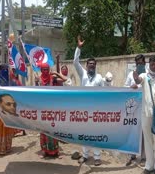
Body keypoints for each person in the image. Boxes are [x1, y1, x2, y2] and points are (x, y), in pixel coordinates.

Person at [73, 37, 104, 166]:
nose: (91, 66)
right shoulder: (83, 74)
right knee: (85, 132)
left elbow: (104, 93)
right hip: (84, 108)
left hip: (96, 109)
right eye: (89, 64)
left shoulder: (99, 78)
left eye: (93, 64)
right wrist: (79, 48)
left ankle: (97, 157)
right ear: (86, 66)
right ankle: (85, 155)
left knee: (96, 133)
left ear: (95, 66)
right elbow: (75, 62)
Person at [35, 63, 68, 158]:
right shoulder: (39, 79)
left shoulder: (52, 78)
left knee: (54, 129)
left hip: (52, 108)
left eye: (47, 69)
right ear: (41, 70)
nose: (45, 71)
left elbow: (65, 80)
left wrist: (57, 73)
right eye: (44, 69)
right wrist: (36, 82)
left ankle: (55, 151)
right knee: (43, 130)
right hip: (42, 108)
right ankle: (45, 151)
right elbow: (35, 92)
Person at [124, 54, 146, 166]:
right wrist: (130, 88)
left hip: (144, 106)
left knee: (143, 132)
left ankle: (143, 157)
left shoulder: (147, 74)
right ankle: (131, 155)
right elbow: (125, 88)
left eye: (142, 63)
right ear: (135, 63)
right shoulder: (130, 74)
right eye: (138, 63)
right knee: (132, 131)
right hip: (133, 107)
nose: (140, 65)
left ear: (144, 63)